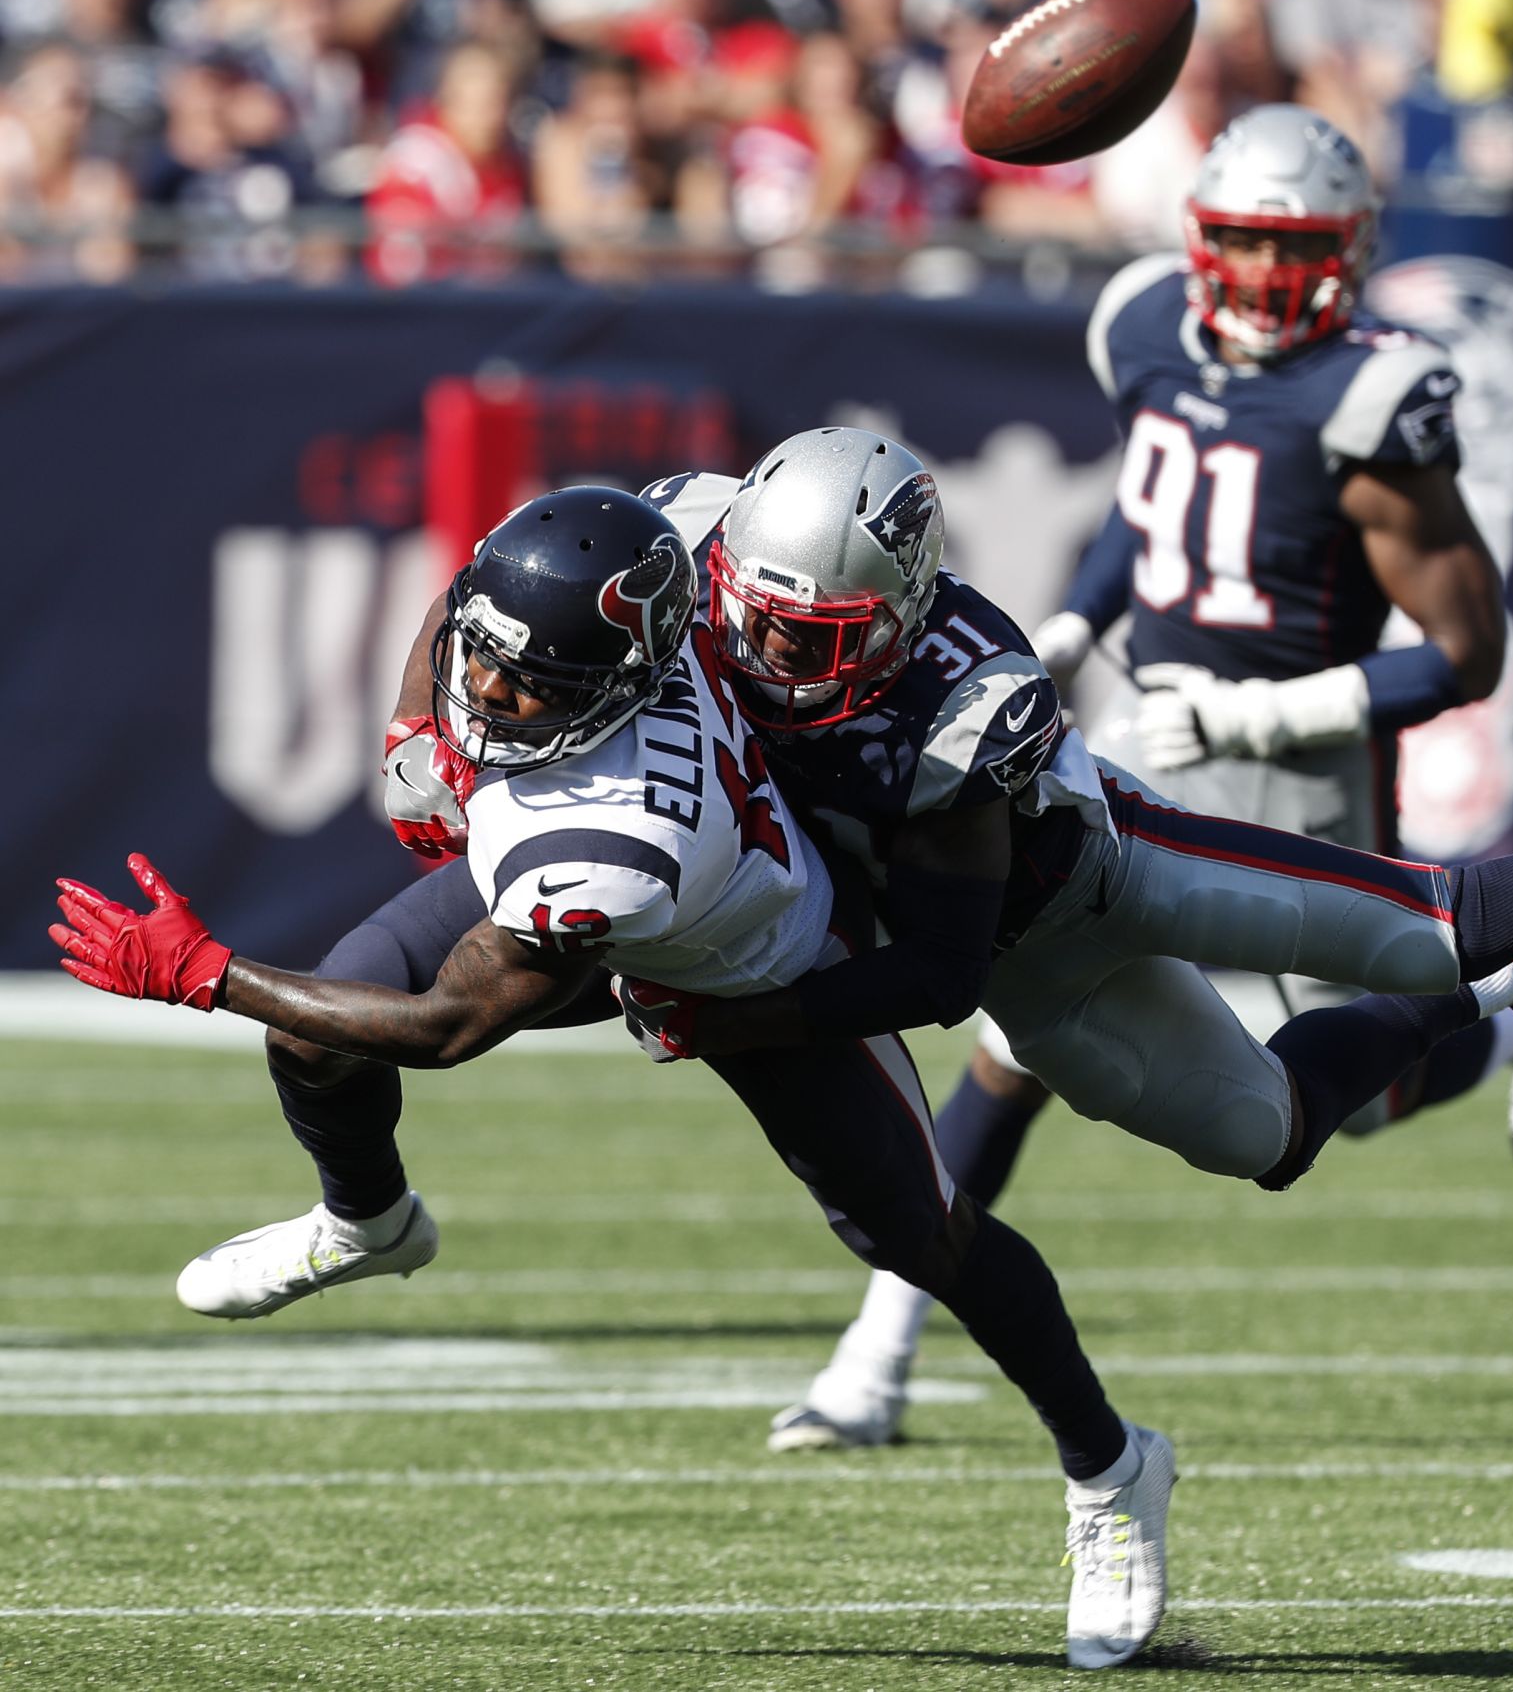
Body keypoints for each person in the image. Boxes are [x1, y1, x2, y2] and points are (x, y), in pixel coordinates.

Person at [604, 430, 1513, 1462]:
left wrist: (725, 1020)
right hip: (1005, 975)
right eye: (761, 620)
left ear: (898, 621)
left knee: (1429, 924)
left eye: (820, 639)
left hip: (1101, 880)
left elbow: (940, 977)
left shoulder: (965, 696)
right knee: (1267, 1135)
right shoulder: (694, 556)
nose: (776, 660)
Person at [48, 486, 1174, 1673]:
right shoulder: (648, 567)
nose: (486, 697)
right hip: (613, 877)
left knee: (916, 1233)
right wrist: (403, 724)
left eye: (526, 687)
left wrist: (208, 973)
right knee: (319, 1031)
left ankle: (1110, 1466)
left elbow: (444, 1027)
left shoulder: (616, 839)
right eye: (485, 668)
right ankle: (367, 1220)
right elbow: (466, 601)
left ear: (614, 686)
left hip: (741, 957)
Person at [770, 101, 1513, 1447]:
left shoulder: (1375, 394)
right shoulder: (1145, 325)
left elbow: (1464, 657)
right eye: (1239, 243)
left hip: (1303, 759)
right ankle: (875, 1355)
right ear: (1198, 241)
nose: (1257, 278)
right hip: (1144, 738)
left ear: (1352, 251)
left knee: (1365, 1092)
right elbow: (1148, 513)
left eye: (1289, 246)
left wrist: (1257, 718)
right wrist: (1077, 627)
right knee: (1017, 1025)